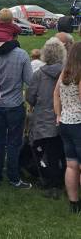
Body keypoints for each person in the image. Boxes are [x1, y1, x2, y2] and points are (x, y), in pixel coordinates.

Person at [0, 23, 33, 188]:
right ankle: (14, 178)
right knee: (14, 143)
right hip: (14, 104)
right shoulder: (21, 55)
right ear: (14, 37)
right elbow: (30, 81)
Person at [27, 37, 66, 199]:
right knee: (60, 153)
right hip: (63, 119)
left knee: (44, 154)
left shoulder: (38, 75)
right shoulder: (68, 73)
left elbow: (30, 97)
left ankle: (50, 182)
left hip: (43, 119)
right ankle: (62, 180)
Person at [54, 42, 81, 213]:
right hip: (79, 123)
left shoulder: (65, 73)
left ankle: (74, 203)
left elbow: (56, 93)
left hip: (66, 122)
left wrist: (58, 114)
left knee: (71, 165)